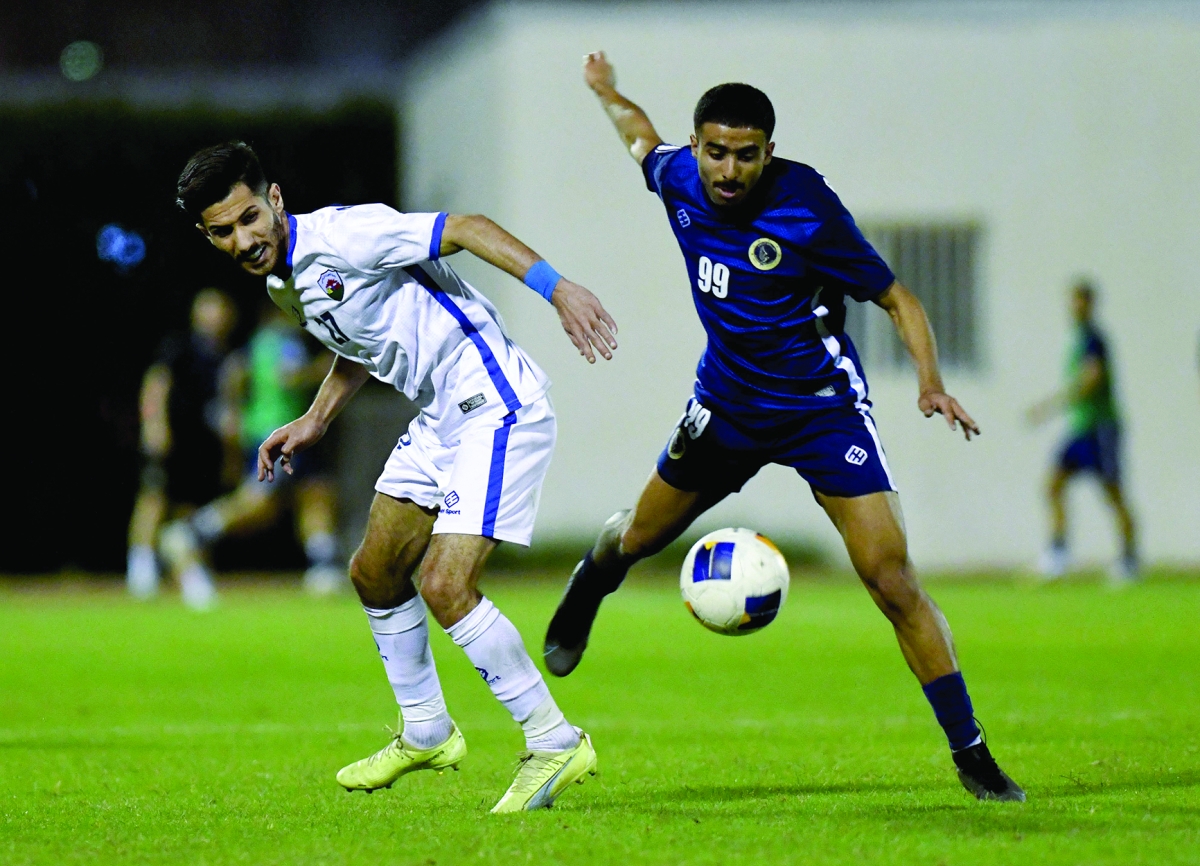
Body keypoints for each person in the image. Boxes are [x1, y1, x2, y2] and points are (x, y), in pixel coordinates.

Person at [543, 51, 1024, 802]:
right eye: (715, 152)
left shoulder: (809, 209)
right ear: (696, 146)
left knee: (892, 579)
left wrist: (930, 382)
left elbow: (898, 298)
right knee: (636, 536)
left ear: (770, 151)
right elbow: (636, 133)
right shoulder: (676, 177)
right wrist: (607, 91)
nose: (728, 171)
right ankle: (590, 583)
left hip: (820, 412)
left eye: (746, 155)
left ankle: (972, 754)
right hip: (727, 407)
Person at [175, 141, 619, 812]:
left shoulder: (347, 236)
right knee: (374, 571)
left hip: (494, 401)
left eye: (248, 218)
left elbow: (465, 227)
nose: (243, 240)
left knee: (445, 584)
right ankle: (427, 731)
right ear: (206, 235)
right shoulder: (283, 285)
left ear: (275, 200)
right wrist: (316, 419)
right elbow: (359, 343)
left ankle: (554, 740)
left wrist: (558, 289)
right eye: (223, 232)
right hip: (441, 417)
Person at [158, 300, 345, 607]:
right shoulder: (282, 340)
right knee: (261, 503)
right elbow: (290, 377)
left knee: (315, 490)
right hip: (278, 433)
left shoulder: (258, 343)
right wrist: (330, 368)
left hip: (278, 431)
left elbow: (234, 375)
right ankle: (192, 532)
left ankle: (322, 564)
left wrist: (233, 413)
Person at [126, 287, 240, 602]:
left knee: (190, 509)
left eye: (220, 311)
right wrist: (154, 425)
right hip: (172, 437)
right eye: (208, 309)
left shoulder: (227, 355)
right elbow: (156, 384)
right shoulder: (179, 347)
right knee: (154, 496)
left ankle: (186, 574)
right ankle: (141, 567)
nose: (215, 317)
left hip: (201, 444)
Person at [1028, 280, 1136, 581]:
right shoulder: (1078, 339)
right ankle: (1057, 553)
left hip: (1100, 427)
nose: (1075, 307)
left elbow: (1092, 378)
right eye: (1072, 300)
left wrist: (1050, 405)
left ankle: (1129, 559)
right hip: (1080, 429)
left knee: (1113, 492)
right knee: (1053, 484)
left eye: (1081, 301)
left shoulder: (1093, 340)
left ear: (1090, 304)